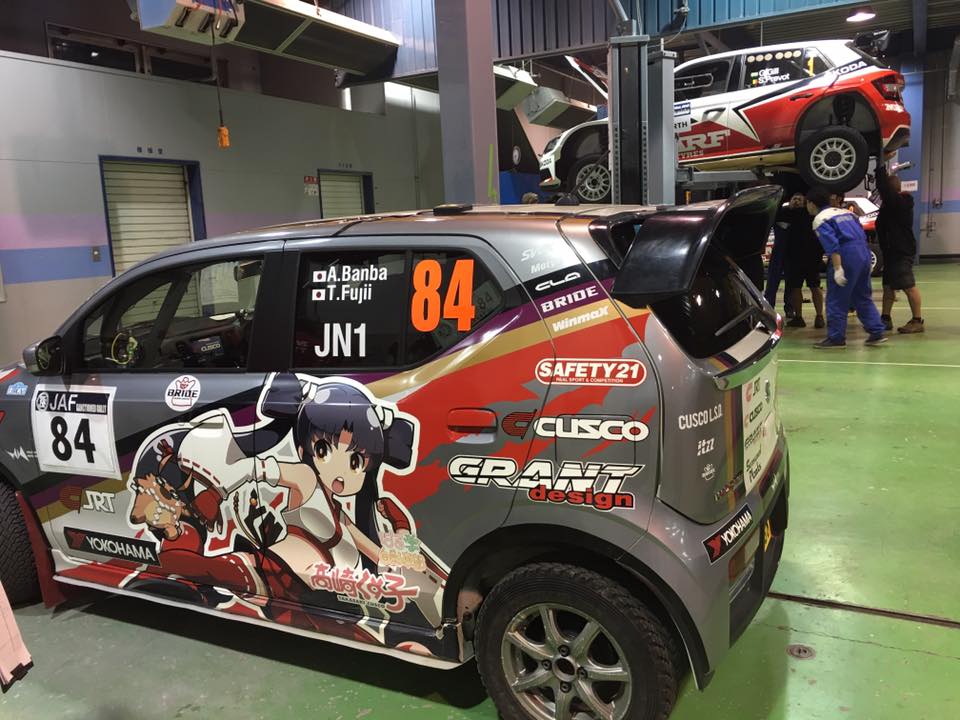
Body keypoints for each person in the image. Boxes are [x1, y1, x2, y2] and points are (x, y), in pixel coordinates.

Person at [806, 186, 887, 348]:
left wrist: (838, 269)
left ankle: (836, 338)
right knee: (862, 296)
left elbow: (832, 245)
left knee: (836, 298)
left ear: (812, 203)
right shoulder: (847, 213)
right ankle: (876, 331)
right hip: (863, 252)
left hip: (846, 255)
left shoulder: (820, 219)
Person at [876, 166, 923, 333]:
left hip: (901, 251)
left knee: (908, 285)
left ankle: (917, 321)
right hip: (891, 251)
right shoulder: (890, 205)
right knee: (888, 286)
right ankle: (885, 318)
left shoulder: (900, 202)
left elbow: (884, 189)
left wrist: (880, 169)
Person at [778, 193, 824, 328]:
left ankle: (819, 316)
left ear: (805, 202)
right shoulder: (787, 213)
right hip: (795, 258)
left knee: (814, 286)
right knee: (796, 288)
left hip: (809, 257)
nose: (797, 201)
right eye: (794, 199)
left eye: (799, 199)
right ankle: (799, 317)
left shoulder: (810, 214)